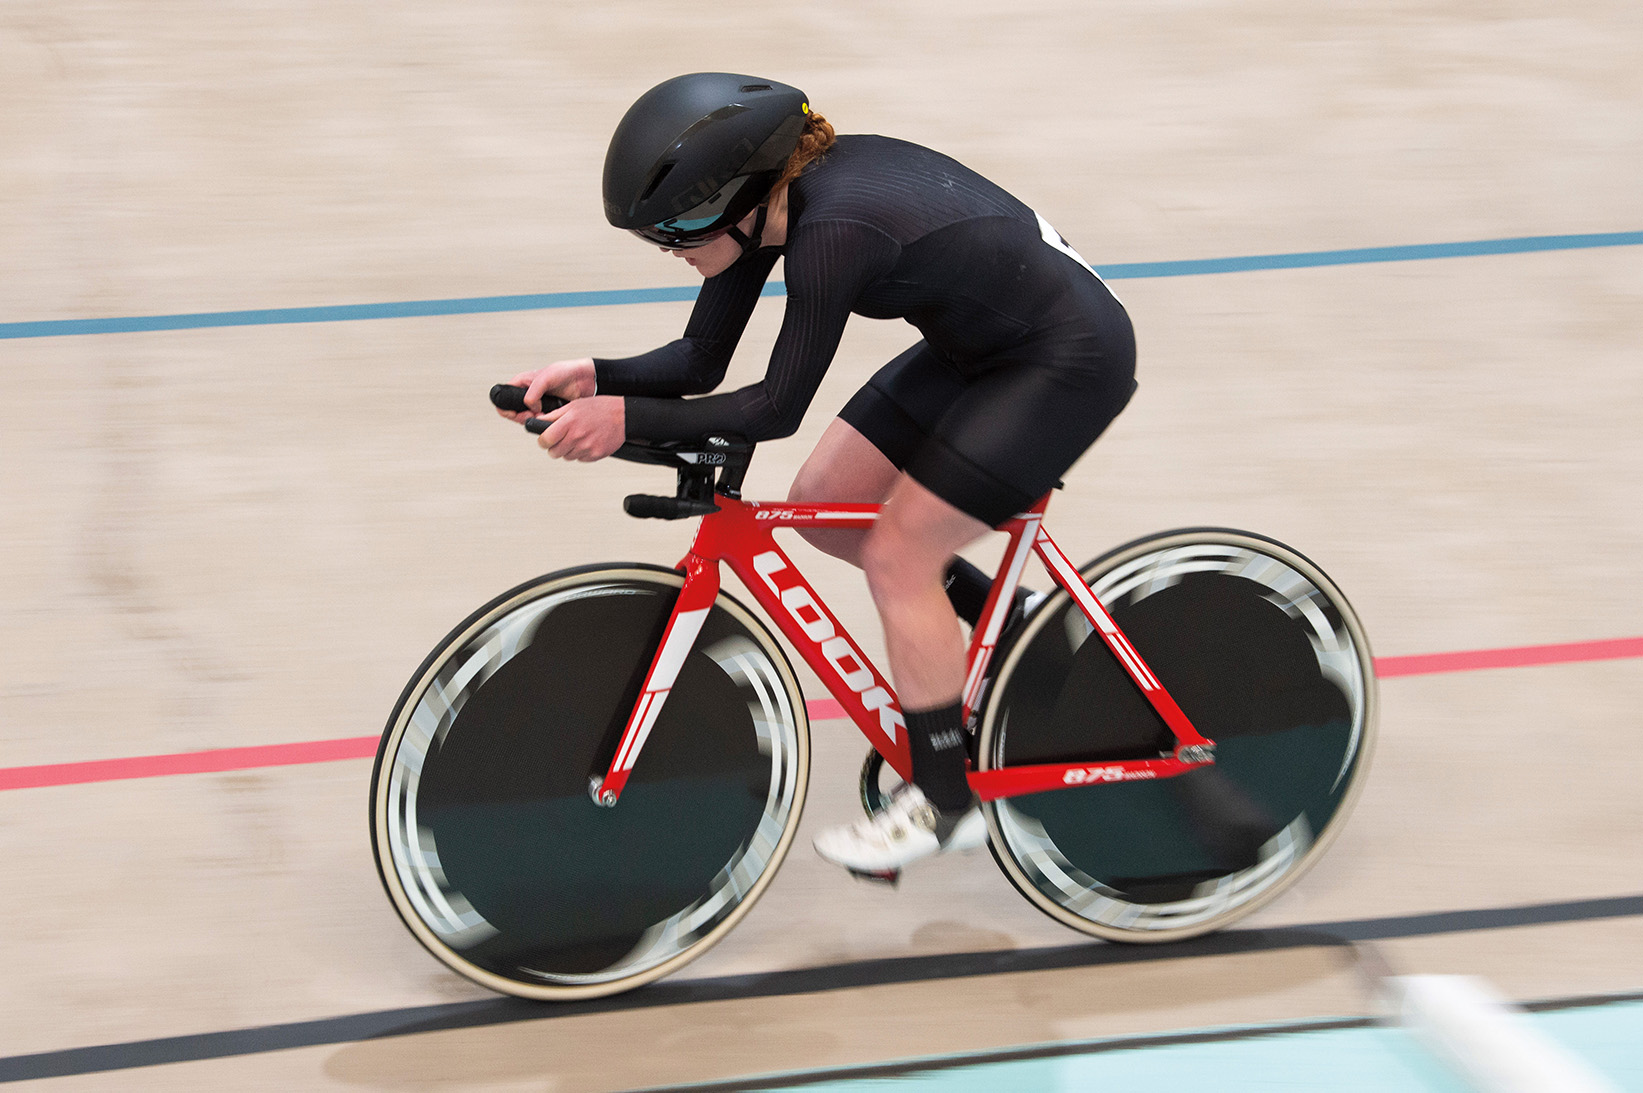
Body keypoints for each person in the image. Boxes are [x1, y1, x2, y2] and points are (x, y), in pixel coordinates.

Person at [500, 72, 1136, 880]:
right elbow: (700, 361)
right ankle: (1008, 619)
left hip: (1065, 361)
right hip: (980, 348)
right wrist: (597, 377)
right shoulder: (768, 204)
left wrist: (627, 421)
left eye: (681, 227)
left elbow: (772, 407)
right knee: (820, 504)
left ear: (736, 196)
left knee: (898, 555)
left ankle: (945, 801)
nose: (673, 249)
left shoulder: (835, 228)